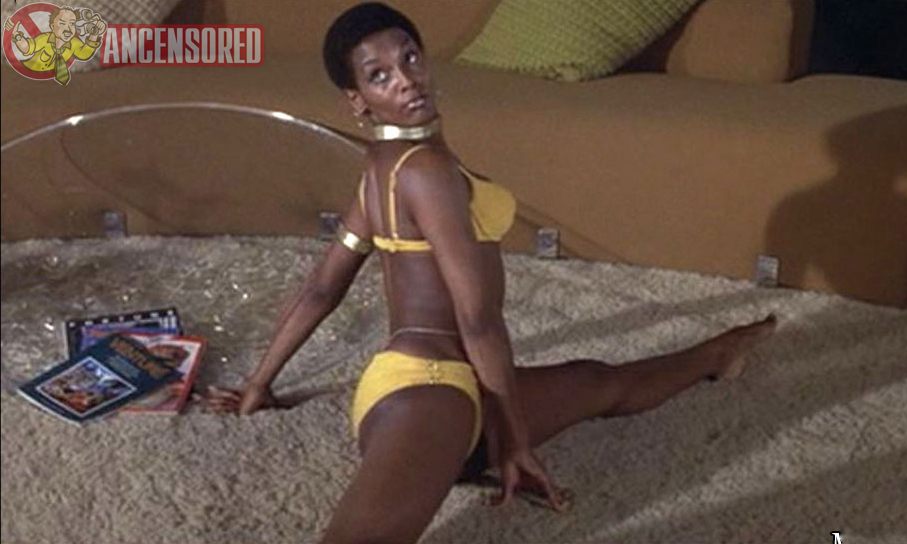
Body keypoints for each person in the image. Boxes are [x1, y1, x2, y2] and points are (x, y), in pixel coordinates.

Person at [204, 3, 777, 542]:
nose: (406, 80)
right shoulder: (426, 171)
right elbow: (477, 320)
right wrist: (516, 443)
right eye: (379, 76)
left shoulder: (380, 168)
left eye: (409, 57)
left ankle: (718, 353)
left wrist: (260, 383)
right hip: (427, 390)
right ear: (358, 101)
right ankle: (485, 440)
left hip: (452, 390)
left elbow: (323, 286)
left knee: (599, 381)